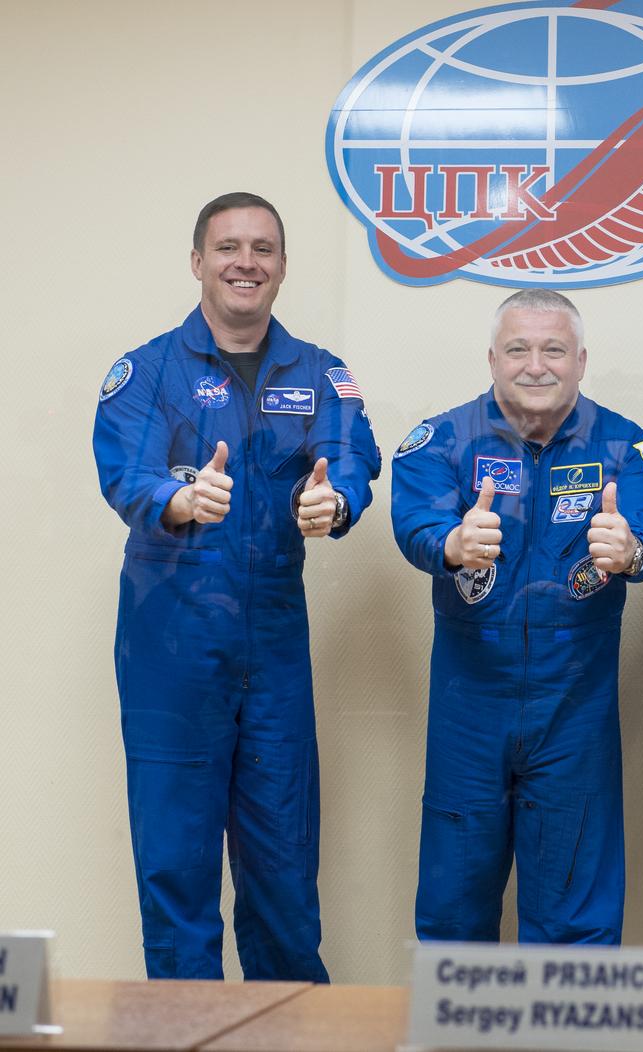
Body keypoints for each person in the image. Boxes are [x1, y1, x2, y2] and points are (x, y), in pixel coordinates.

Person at [93, 192, 381, 980]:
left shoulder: (321, 373)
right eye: (228, 247)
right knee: (177, 869)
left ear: (283, 268)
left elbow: (350, 453)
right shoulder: (150, 371)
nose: (245, 262)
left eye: (262, 248)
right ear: (197, 262)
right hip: (171, 644)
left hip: (274, 643)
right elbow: (124, 469)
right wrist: (175, 502)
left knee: (284, 868)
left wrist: (337, 499)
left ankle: (290, 1031)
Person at [392, 288, 643, 944]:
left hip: (574, 705)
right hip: (472, 701)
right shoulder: (441, 440)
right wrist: (451, 543)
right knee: (455, 905)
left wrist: (631, 549)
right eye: (518, 348)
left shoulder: (624, 446)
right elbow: (414, 519)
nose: (536, 365)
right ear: (492, 358)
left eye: (554, 349)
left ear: (581, 360)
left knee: (574, 912)